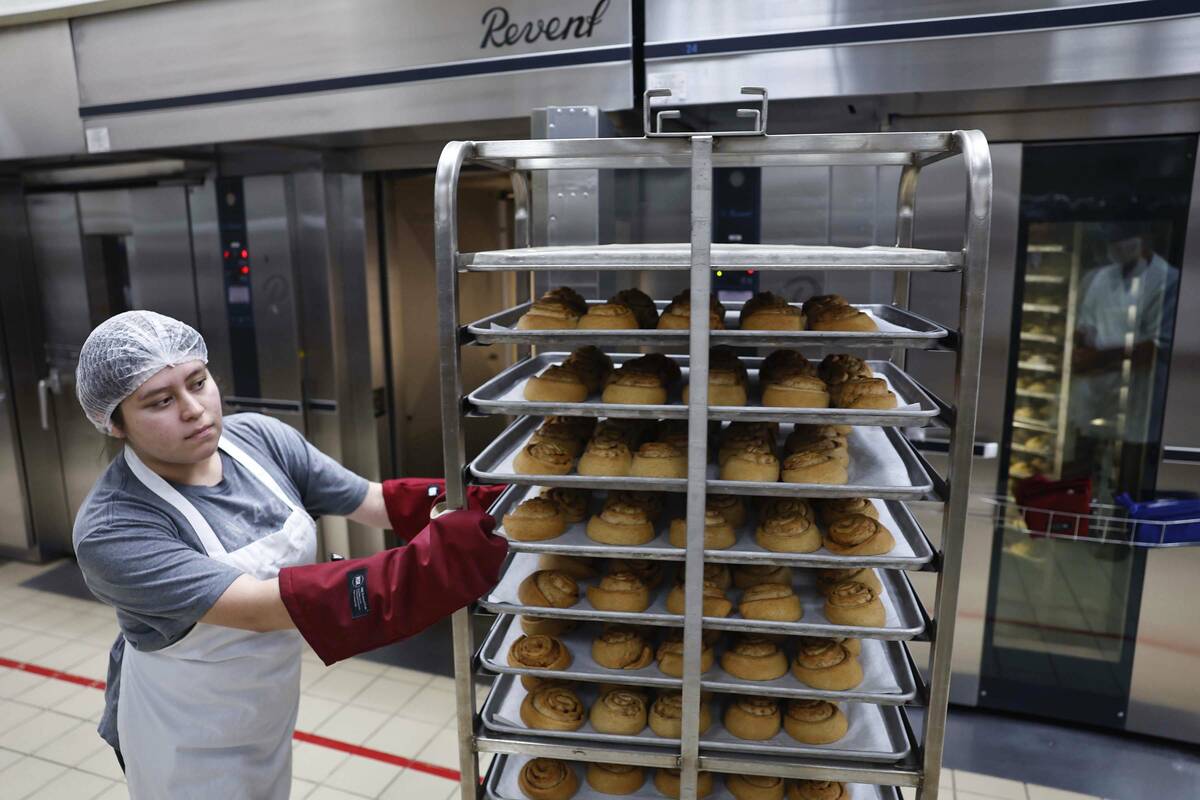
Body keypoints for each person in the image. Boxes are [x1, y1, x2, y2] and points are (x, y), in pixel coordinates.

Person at [71, 310, 508, 799]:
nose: (194, 409)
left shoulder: (259, 440)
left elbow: (376, 501)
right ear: (115, 424)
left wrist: (494, 498)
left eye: (199, 381)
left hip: (262, 705)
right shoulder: (114, 529)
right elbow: (261, 608)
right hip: (181, 731)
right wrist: (434, 566)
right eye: (161, 401)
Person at [1067, 222, 1178, 498]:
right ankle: (1078, 528)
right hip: (1094, 393)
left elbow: (1154, 348)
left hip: (1137, 397)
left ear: (1145, 238)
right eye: (1114, 242)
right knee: (1082, 469)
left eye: (1125, 239)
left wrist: (1096, 360)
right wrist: (1078, 348)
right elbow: (1083, 327)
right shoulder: (1099, 278)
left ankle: (1121, 534)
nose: (1118, 247)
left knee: (1129, 475)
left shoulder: (1167, 280)